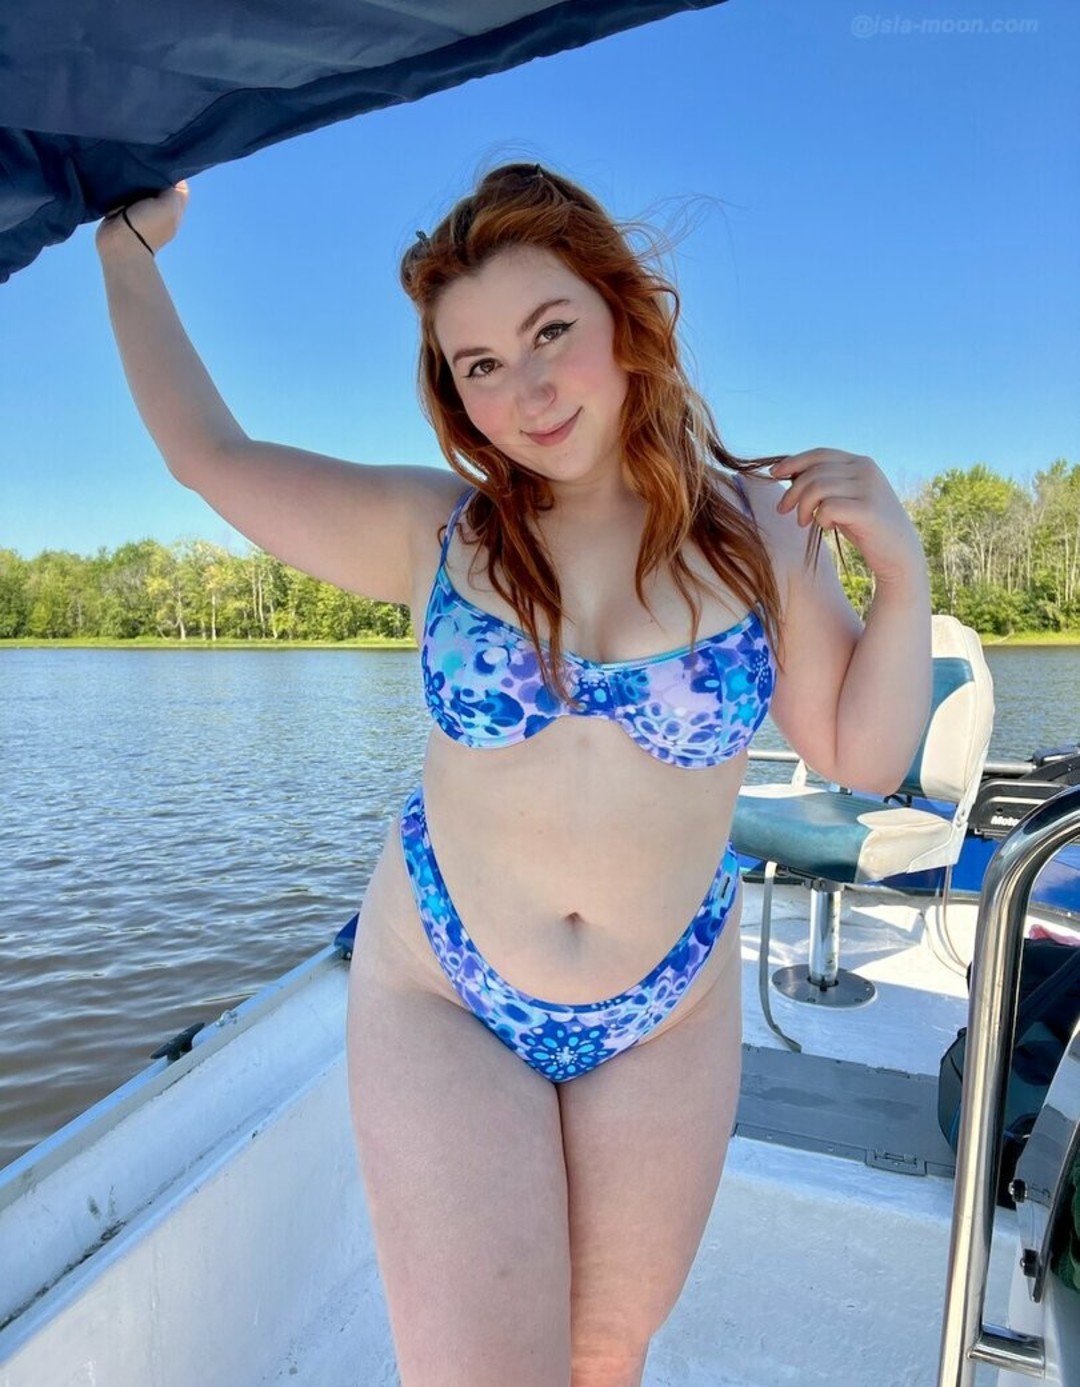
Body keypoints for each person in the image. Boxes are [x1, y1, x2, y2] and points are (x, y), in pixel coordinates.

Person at [95, 162, 931, 1387]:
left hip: (667, 1008)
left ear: (623, 314)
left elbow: (864, 753)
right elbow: (207, 454)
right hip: (444, 986)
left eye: (550, 332)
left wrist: (901, 571)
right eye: (480, 364)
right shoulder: (441, 534)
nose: (527, 392)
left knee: (604, 1356)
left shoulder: (760, 532)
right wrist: (126, 253)